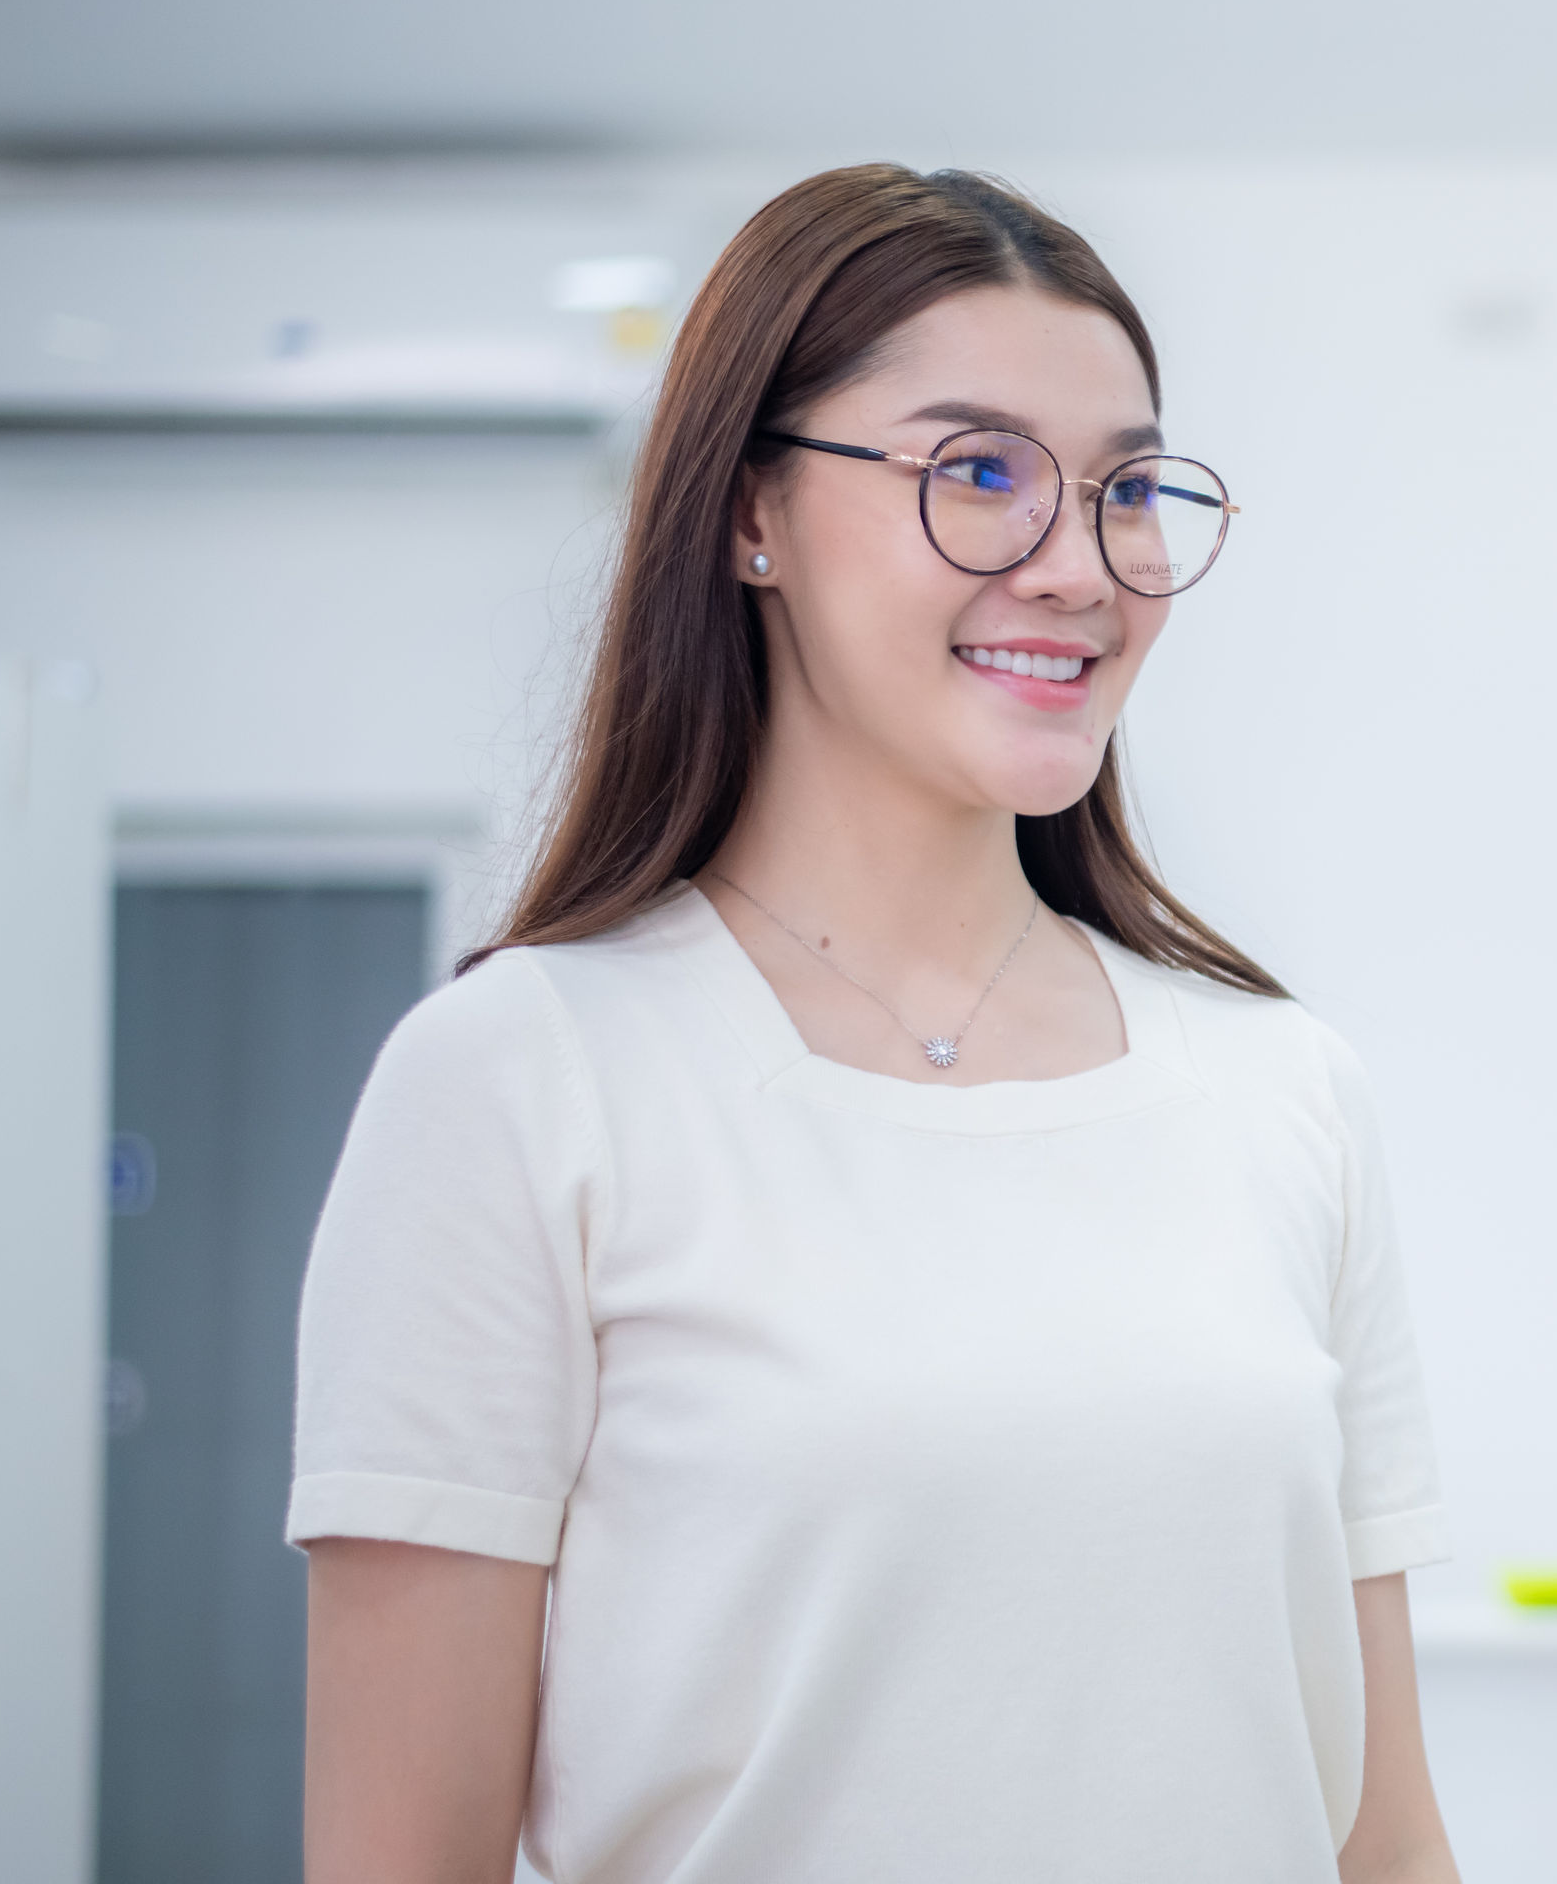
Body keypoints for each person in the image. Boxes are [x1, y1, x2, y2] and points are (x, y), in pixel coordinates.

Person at [289, 165, 1460, 1884]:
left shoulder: (1284, 1093)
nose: (1078, 568)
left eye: (1126, 489)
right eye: (977, 473)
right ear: (747, 513)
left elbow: (1389, 1841)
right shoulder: (524, 1082)